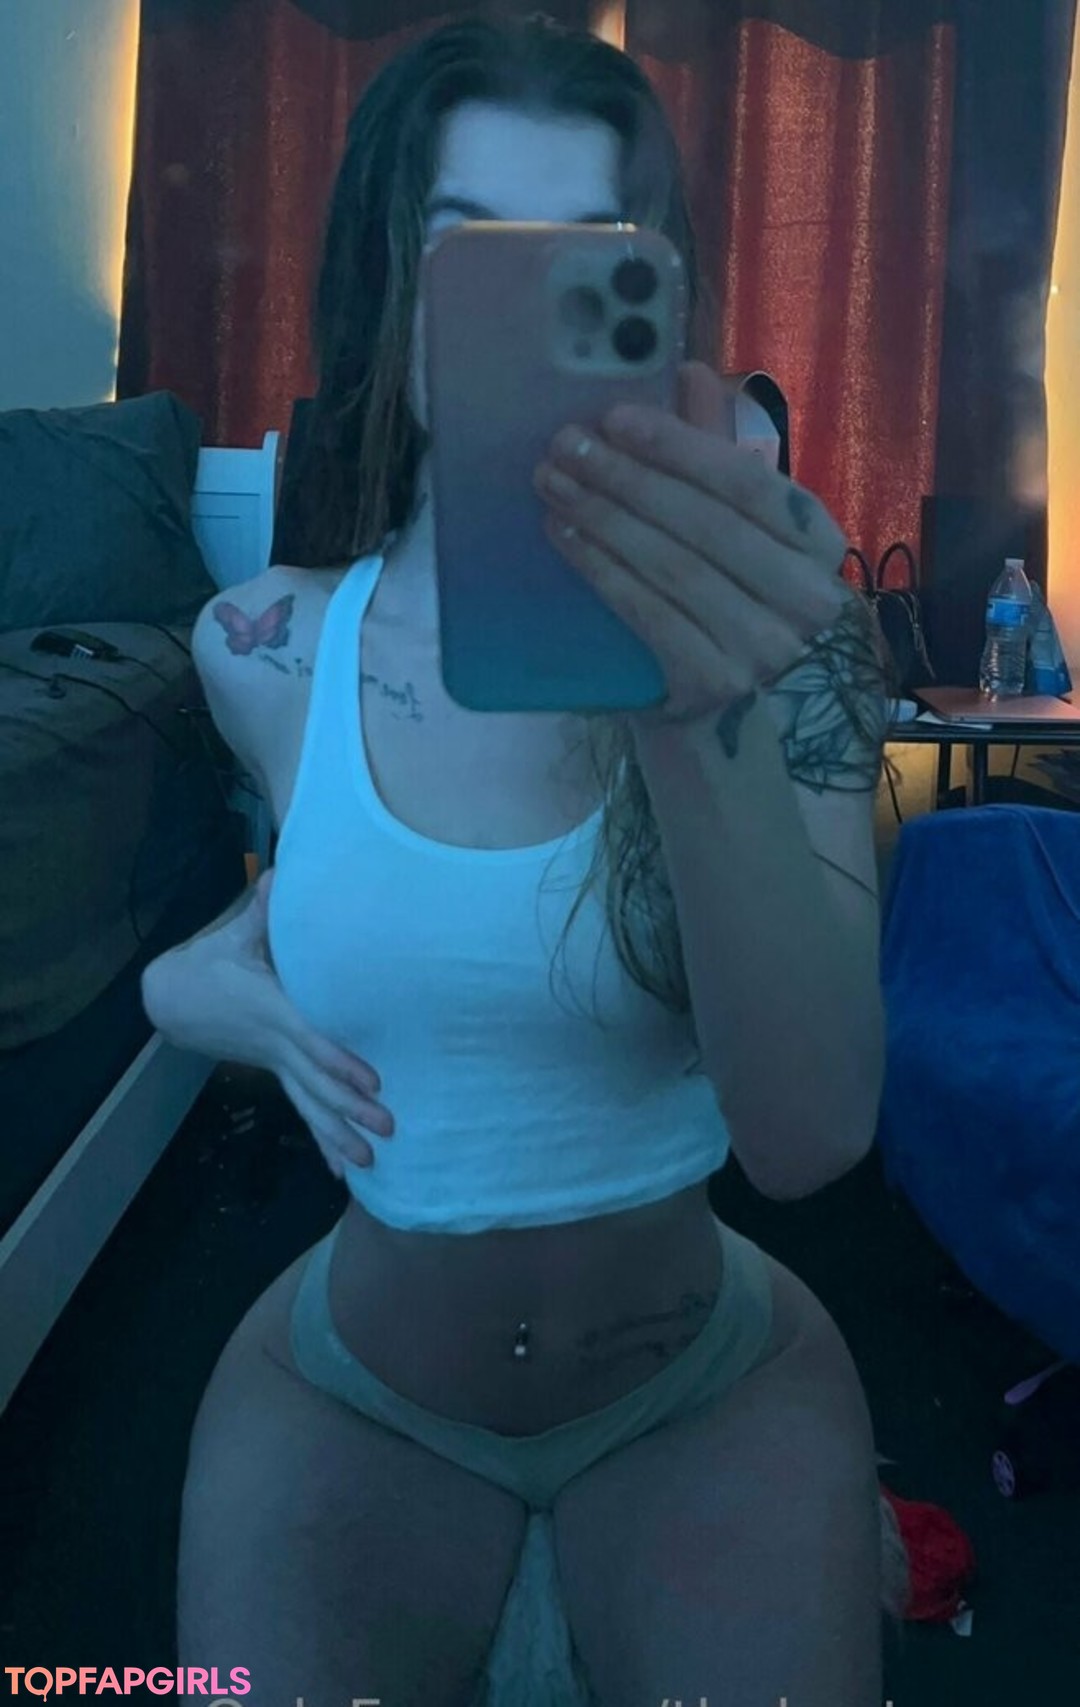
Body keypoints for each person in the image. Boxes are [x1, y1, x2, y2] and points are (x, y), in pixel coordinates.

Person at [142, 13, 907, 1706]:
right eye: (467, 251)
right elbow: (340, 914)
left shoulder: (792, 639)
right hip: (351, 1390)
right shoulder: (263, 646)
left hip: (704, 1380)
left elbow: (807, 1137)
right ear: (387, 294)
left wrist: (685, 709)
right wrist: (192, 983)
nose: (525, 311)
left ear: (659, 308)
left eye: (586, 261)